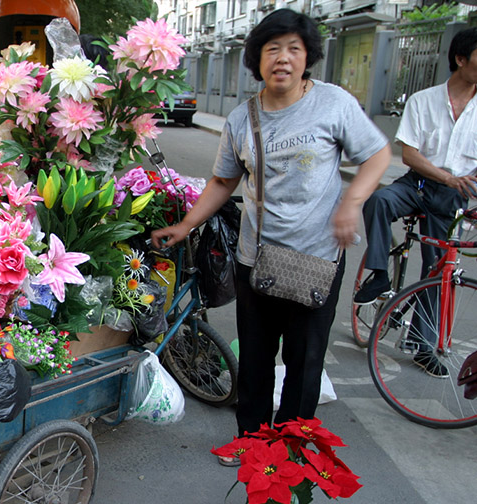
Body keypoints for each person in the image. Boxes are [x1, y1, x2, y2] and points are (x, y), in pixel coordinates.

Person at [151, 9, 391, 464]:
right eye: (272, 49)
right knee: (258, 360)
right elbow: (223, 182)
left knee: (304, 363)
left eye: (294, 49)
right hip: (255, 259)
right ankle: (253, 441)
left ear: (308, 58)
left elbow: (378, 155)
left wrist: (351, 202)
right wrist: (186, 225)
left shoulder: (334, 104)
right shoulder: (243, 118)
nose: (283, 58)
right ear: (257, 59)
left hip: (316, 260)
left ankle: (291, 448)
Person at [354, 28, 477, 378]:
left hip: (454, 197)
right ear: (460, 59)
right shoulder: (423, 100)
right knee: (378, 200)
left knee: (438, 270)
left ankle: (423, 346)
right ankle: (378, 274)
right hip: (418, 184)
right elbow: (409, 153)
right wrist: (446, 175)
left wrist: (461, 184)